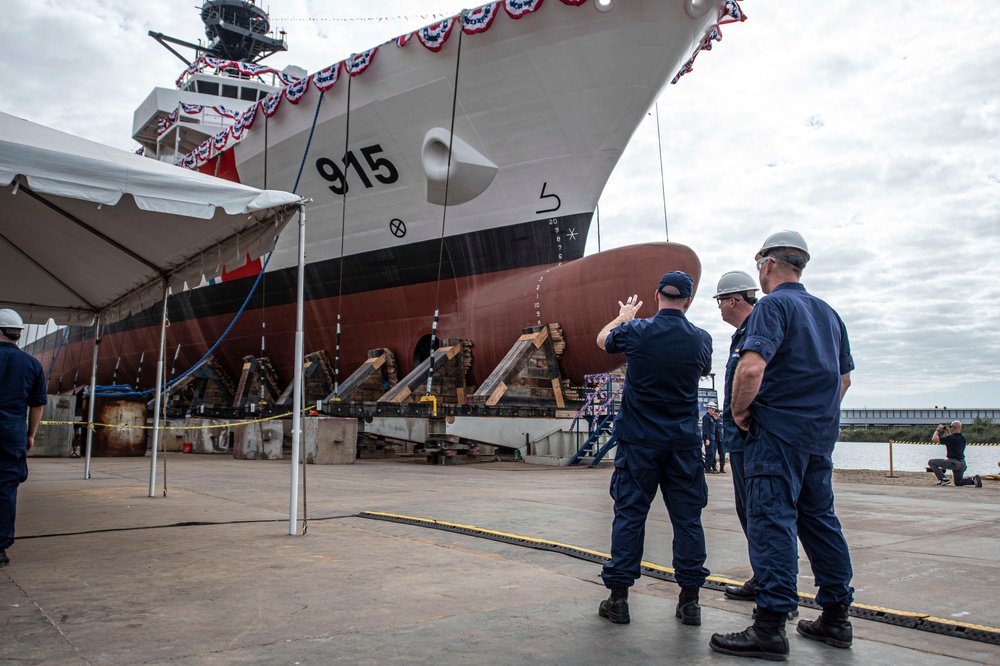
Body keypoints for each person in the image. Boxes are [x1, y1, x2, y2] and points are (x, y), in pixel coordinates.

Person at [709, 231, 855, 660]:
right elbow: (843, 380)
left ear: (769, 265)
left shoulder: (773, 306)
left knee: (771, 523)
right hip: (817, 438)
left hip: (775, 437)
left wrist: (739, 413)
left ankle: (769, 627)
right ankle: (836, 619)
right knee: (821, 524)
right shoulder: (829, 314)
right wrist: (815, 417)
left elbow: (751, 369)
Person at [596, 271, 713, 626]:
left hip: (639, 443)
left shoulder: (636, 331)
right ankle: (689, 602)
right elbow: (703, 368)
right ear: (688, 300)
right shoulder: (701, 339)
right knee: (688, 520)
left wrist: (624, 317)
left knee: (630, 515)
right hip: (683, 445)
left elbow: (603, 341)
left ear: (657, 294)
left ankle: (619, 600)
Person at [713, 271, 761, 602]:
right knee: (751, 513)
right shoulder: (747, 332)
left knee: (758, 513)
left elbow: (753, 374)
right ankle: (764, 579)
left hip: (751, 442)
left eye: (719, 303)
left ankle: (771, 588)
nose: (719, 309)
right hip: (742, 443)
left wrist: (739, 413)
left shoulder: (758, 329)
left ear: (732, 301)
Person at [0, 309, 47, 567]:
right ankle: (0, 548)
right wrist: (30, 434)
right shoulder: (32, 364)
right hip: (12, 435)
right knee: (5, 491)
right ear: (18, 334)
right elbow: (37, 404)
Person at [928, 421, 981, 487]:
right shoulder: (962, 438)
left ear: (954, 427)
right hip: (962, 464)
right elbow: (951, 440)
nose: (950, 428)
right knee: (958, 482)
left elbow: (934, 439)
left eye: (951, 427)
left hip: (954, 463)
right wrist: (947, 432)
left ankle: (943, 479)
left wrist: (938, 430)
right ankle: (973, 479)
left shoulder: (952, 438)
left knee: (931, 462)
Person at [702, 402, 720, 473]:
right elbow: (705, 428)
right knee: (709, 453)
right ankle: (707, 467)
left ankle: (710, 467)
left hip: (712, 438)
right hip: (709, 438)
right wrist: (707, 438)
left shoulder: (711, 417)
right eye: (712, 409)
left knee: (712, 453)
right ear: (708, 408)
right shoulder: (706, 417)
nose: (713, 411)